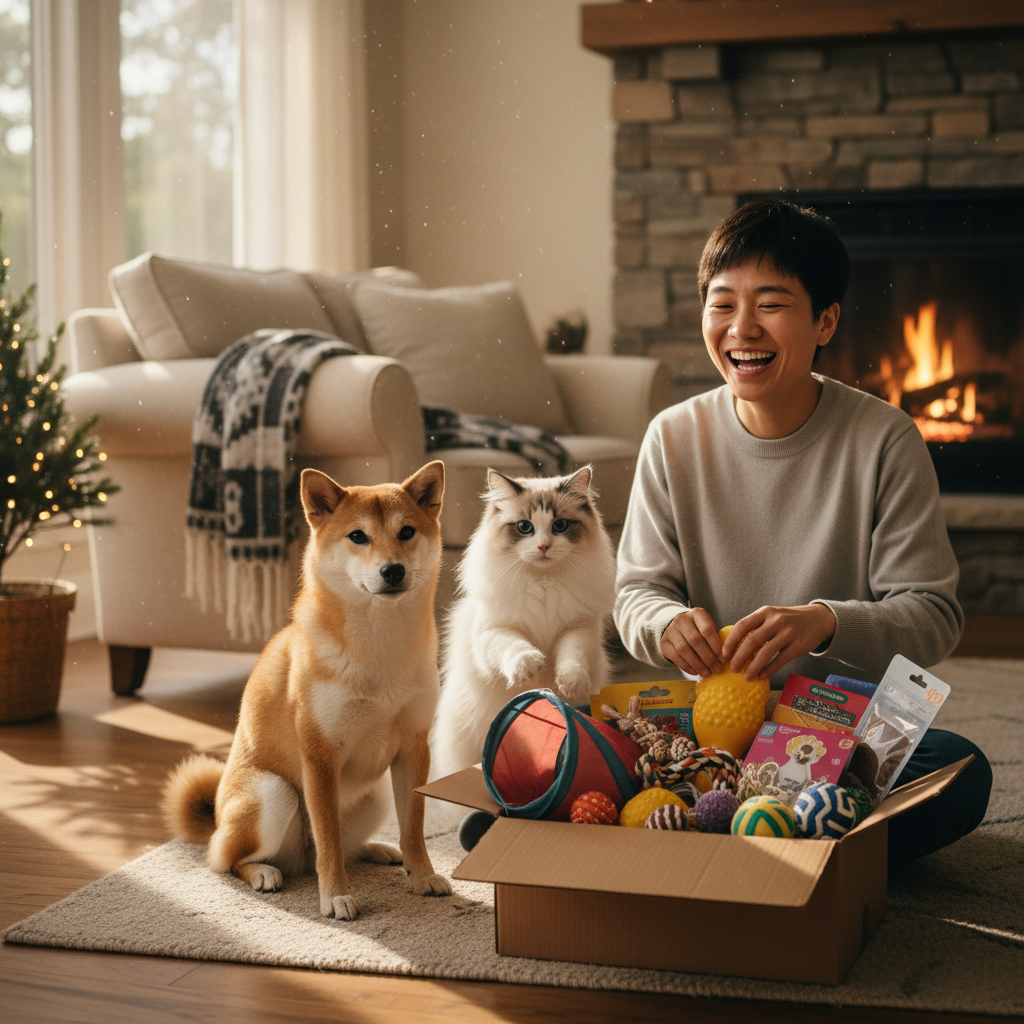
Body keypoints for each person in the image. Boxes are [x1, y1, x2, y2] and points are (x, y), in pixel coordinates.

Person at [613, 198, 991, 863]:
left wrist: (825, 622)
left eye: (771, 304)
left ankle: (733, 843)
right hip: (708, 723)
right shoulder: (672, 436)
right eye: (722, 304)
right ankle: (793, 847)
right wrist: (665, 624)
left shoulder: (885, 440)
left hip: (832, 723)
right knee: (550, 762)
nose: (742, 328)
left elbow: (934, 616)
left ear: (825, 321)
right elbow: (636, 593)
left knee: (958, 773)